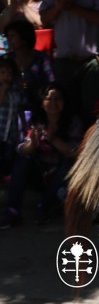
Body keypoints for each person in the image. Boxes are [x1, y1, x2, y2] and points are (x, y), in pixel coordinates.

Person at [0, 83, 83, 228]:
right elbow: (20, 148)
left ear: (64, 102)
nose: (53, 103)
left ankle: (44, 207)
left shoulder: (72, 121)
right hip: (38, 174)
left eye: (57, 99)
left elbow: (76, 153)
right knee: (23, 158)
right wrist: (32, 143)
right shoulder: (33, 120)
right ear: (42, 103)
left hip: (60, 178)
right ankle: (13, 210)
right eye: (48, 99)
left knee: (69, 163)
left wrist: (53, 139)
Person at [3, 20, 55, 113]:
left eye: (13, 36)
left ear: (24, 37)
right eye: (8, 36)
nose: (9, 39)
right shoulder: (5, 60)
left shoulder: (42, 58)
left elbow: (51, 83)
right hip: (10, 110)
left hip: (39, 107)